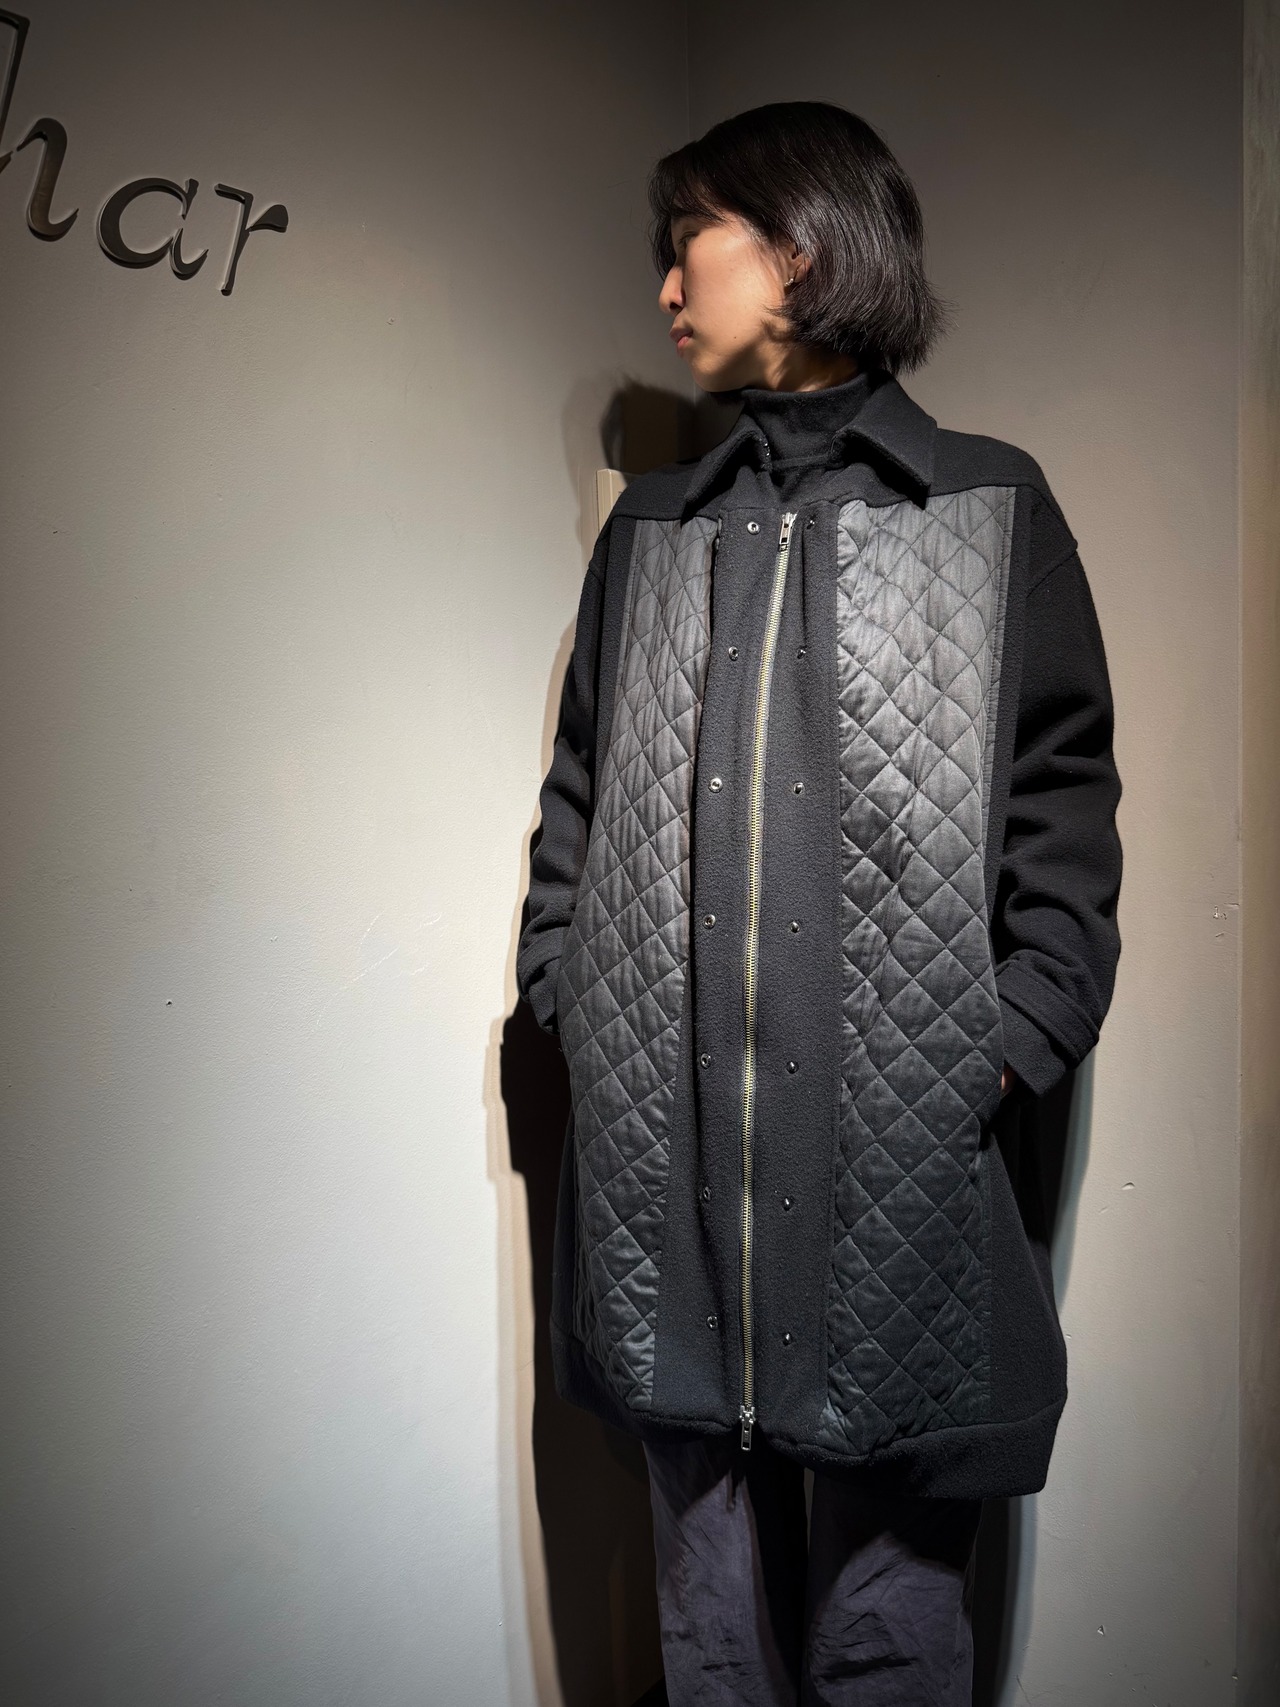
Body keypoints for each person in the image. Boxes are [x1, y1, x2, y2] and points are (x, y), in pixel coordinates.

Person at [516, 101, 1122, 1707]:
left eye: (687, 244)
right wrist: (571, 990)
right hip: (667, 1180)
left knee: (889, 1629)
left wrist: (1000, 1047)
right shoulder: (653, 530)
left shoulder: (986, 510)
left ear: (797, 248)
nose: (665, 288)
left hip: (899, 1184)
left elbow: (1064, 825)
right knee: (708, 1628)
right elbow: (578, 794)